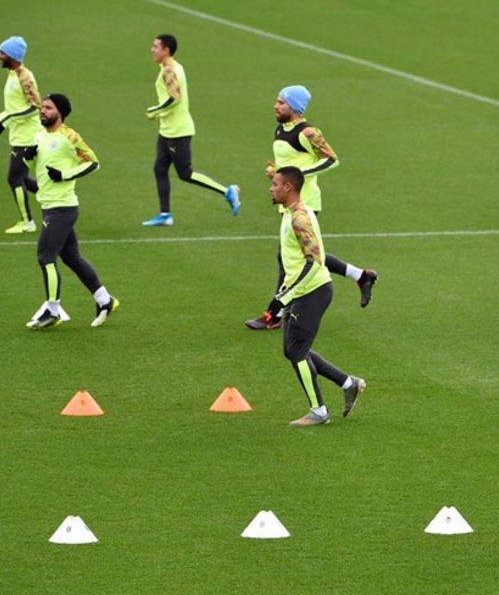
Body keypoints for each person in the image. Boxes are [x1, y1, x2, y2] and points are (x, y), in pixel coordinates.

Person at [245, 86, 378, 329]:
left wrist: (296, 175)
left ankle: (274, 315)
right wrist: (277, 170)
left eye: (281, 102)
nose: (276, 106)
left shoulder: (306, 132)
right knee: (305, 254)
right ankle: (361, 276)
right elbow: (289, 159)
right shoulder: (280, 129)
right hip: (288, 199)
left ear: (295, 108)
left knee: (290, 257)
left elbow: (331, 159)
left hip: (304, 202)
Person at [266, 166, 367, 426]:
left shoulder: (299, 219)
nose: (271, 187)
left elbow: (315, 263)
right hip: (302, 290)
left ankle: (319, 411)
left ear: (289, 187)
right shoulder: (293, 213)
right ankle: (348, 383)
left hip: (312, 291)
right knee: (294, 350)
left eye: (275, 183)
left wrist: (283, 297)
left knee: (297, 350)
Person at [25, 94, 119, 330]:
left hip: (63, 207)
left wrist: (65, 175)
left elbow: (93, 162)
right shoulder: (39, 135)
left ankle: (53, 310)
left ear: (61, 113)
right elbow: (40, 169)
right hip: (48, 205)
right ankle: (105, 300)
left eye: (48, 108)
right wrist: (29, 161)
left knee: (46, 257)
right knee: (71, 257)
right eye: (42, 107)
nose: (42, 111)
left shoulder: (70, 136)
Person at [141, 34, 240, 226]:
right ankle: (165, 215)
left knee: (185, 173)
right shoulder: (171, 67)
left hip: (178, 132)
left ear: (166, 50)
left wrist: (154, 111)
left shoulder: (169, 70)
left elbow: (174, 98)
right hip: (167, 131)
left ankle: (227, 191)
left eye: (155, 46)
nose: (152, 49)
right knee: (159, 168)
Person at [0, 36, 42, 234]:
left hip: (27, 138)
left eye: (3, 53)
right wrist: (2, 116)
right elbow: (15, 105)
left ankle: (27, 222)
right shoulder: (13, 74)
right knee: (23, 178)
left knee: (14, 178)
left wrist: (7, 117)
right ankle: (55, 201)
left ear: (12, 56)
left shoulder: (24, 77)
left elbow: (34, 107)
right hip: (19, 135)